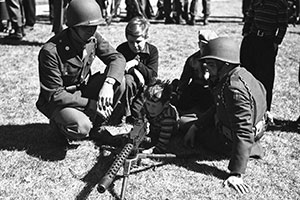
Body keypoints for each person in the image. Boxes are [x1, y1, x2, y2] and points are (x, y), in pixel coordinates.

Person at [184, 37, 267, 194]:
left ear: (225, 65)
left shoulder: (233, 90)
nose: (207, 68)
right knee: (194, 122)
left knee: (182, 122)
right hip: (251, 129)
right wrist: (198, 125)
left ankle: (250, 150)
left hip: (227, 140)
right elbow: (219, 106)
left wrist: (236, 172)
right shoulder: (242, 74)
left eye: (212, 64)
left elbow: (243, 131)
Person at [36, 0, 126, 141]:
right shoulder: (51, 51)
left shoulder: (92, 38)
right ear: (73, 27)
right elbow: (55, 95)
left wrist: (108, 84)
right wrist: (91, 104)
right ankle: (59, 126)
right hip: (61, 101)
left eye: (95, 26)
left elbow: (117, 58)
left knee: (119, 82)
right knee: (81, 127)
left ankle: (97, 126)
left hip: (83, 90)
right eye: (86, 27)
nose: (92, 30)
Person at [240, 0, 288, 122]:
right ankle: (246, 107)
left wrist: (276, 42)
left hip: (266, 42)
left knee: (265, 78)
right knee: (247, 75)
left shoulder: (280, 4)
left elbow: (283, 25)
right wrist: (246, 33)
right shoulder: (256, 1)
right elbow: (250, 16)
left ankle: (264, 111)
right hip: (252, 40)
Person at [117, 16, 158, 123]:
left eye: (138, 42)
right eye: (131, 42)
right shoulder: (122, 49)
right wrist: (135, 72)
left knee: (140, 115)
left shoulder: (152, 51)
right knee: (128, 80)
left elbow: (152, 76)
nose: (135, 45)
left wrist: (137, 64)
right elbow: (119, 70)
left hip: (145, 88)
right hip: (129, 87)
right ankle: (125, 113)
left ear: (146, 37)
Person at [173, 30, 217, 116]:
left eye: (208, 47)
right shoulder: (193, 59)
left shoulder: (217, 60)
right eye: (203, 46)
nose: (205, 49)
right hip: (196, 88)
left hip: (212, 89)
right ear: (199, 45)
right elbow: (185, 78)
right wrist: (180, 92)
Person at [142, 79, 179, 154]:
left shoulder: (168, 116)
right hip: (154, 131)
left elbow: (162, 146)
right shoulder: (147, 108)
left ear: (165, 104)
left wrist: (149, 151)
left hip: (168, 136)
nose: (150, 109)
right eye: (148, 104)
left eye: (154, 106)